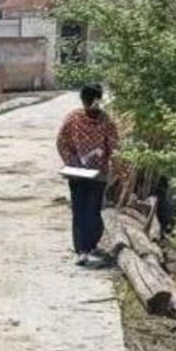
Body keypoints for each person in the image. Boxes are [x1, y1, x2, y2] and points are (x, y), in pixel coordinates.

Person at [56, 84, 118, 267]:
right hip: (87, 174)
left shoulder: (76, 117)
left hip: (87, 174)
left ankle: (86, 247)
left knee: (84, 210)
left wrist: (72, 161)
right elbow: (114, 147)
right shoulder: (102, 120)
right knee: (88, 210)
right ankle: (85, 248)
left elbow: (61, 142)